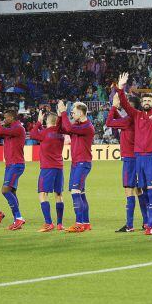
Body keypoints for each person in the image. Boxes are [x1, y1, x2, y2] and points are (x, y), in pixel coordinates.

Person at [116, 71, 152, 235]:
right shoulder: (136, 115)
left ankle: (150, 226)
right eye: (144, 100)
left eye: (149, 100)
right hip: (139, 157)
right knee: (143, 191)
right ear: (141, 103)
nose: (146, 102)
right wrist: (120, 87)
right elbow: (124, 103)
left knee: (151, 190)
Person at [106, 92, 147, 232]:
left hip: (129, 159)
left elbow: (109, 122)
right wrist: (117, 110)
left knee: (129, 190)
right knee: (139, 189)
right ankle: (146, 221)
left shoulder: (129, 119)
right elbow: (120, 119)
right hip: (138, 157)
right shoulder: (135, 118)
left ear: (131, 105)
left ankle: (129, 225)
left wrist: (113, 107)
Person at [58, 100, 95, 233]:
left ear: (81, 112)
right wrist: (59, 115)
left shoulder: (87, 126)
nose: (72, 112)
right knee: (81, 194)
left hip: (82, 163)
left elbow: (68, 129)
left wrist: (63, 112)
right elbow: (62, 128)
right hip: (76, 163)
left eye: (73, 110)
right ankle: (85, 223)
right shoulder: (78, 125)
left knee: (75, 192)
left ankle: (78, 223)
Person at [29, 106, 66, 232]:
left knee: (42, 194)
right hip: (59, 167)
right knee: (59, 195)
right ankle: (60, 224)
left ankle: (48, 223)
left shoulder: (44, 133)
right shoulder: (61, 133)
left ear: (47, 121)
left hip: (47, 167)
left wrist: (39, 121)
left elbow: (33, 134)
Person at [0, 108, 27, 231]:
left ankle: (19, 218)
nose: (4, 119)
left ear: (12, 118)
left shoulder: (18, 128)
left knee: (5, 190)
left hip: (16, 164)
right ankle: (17, 219)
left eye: (6, 117)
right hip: (11, 164)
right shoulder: (11, 129)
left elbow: (0, 130)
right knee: (12, 192)